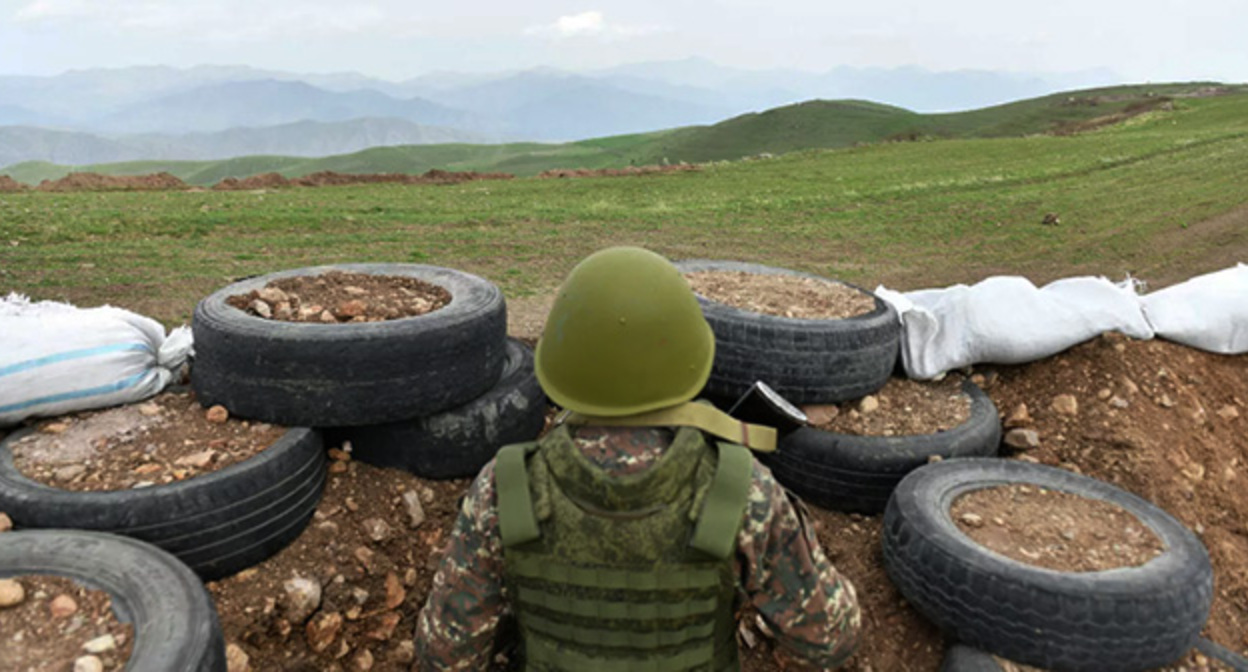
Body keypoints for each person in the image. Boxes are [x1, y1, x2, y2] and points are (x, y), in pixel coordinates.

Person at [415, 246, 861, 671]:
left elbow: (446, 656)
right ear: (689, 359)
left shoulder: (505, 488)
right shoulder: (742, 490)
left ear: (562, 364)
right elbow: (828, 640)